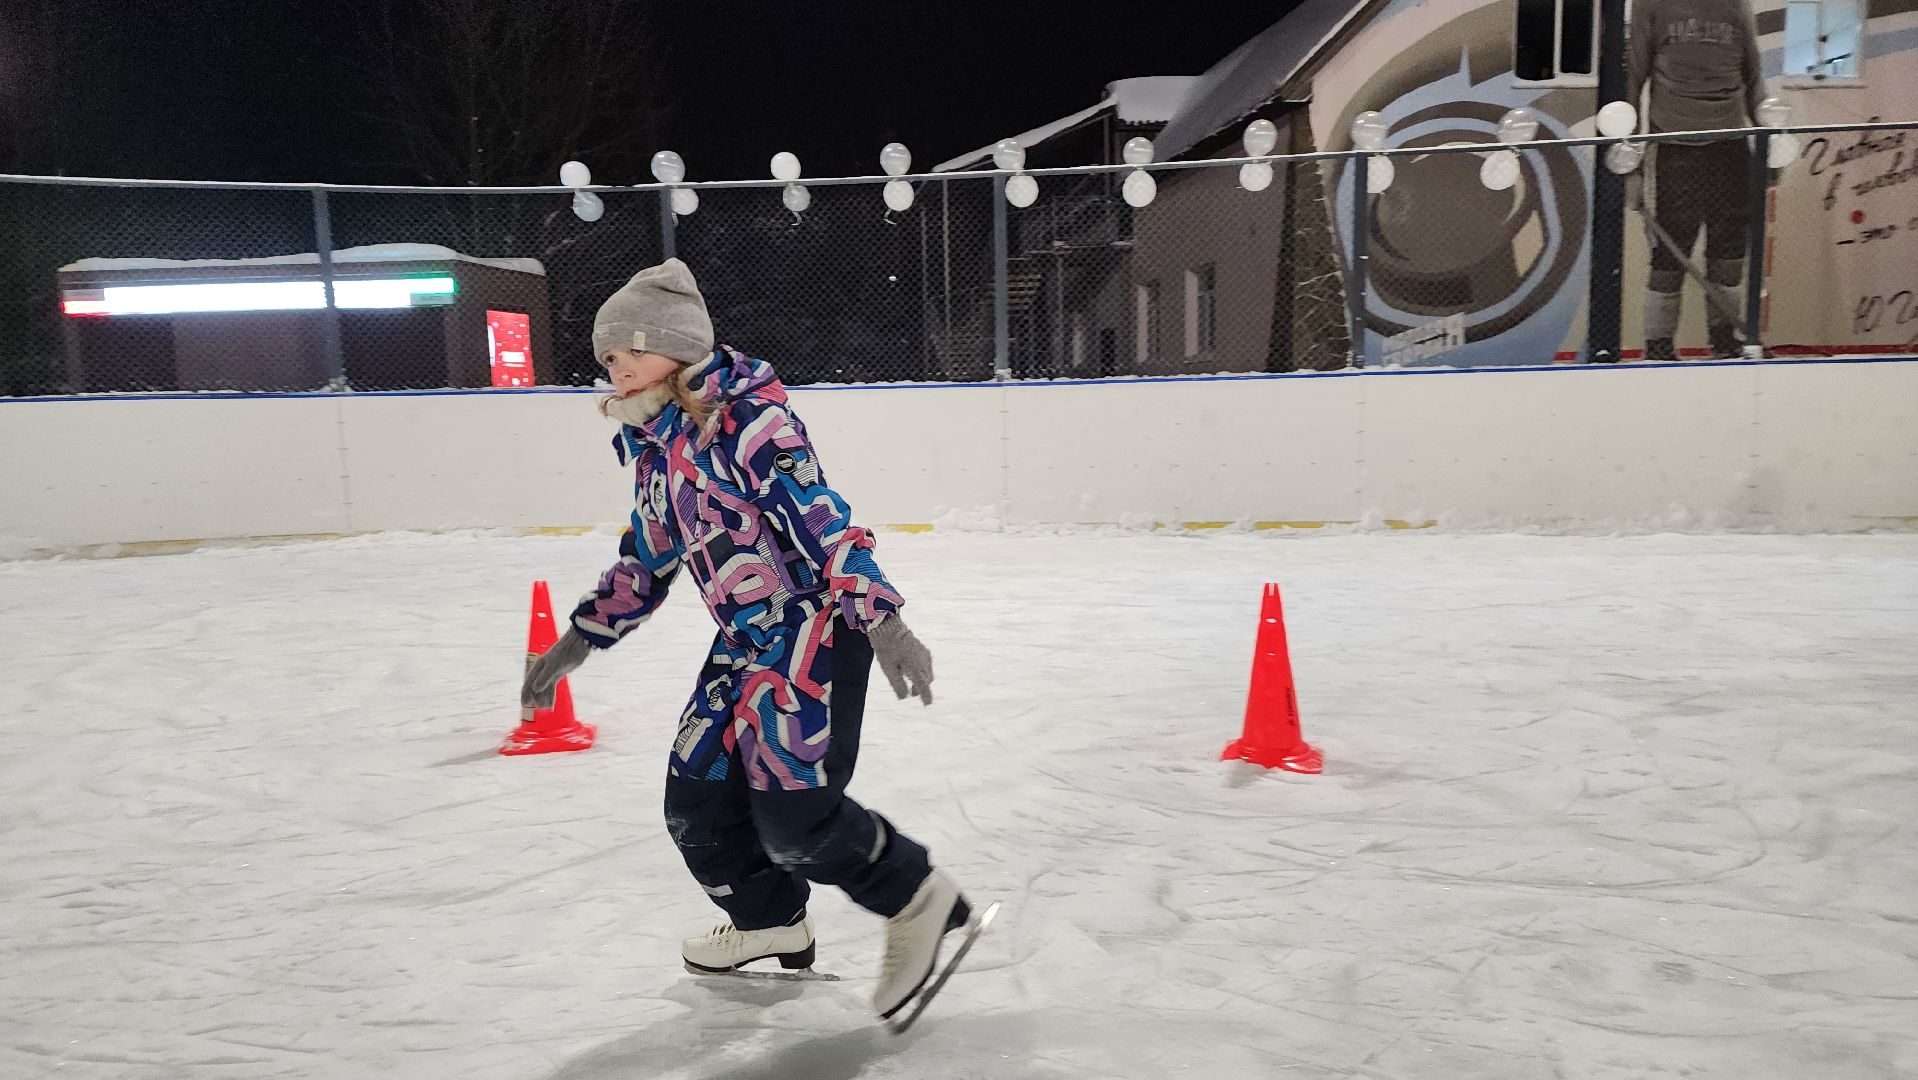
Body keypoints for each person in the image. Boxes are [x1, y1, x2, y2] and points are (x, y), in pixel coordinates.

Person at [521, 259, 972, 1021]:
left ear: (676, 346)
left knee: (796, 820)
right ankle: (770, 920)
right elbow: (649, 557)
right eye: (605, 356)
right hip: (744, 643)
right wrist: (581, 637)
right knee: (694, 805)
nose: (615, 366)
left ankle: (918, 899)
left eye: (628, 347)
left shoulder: (751, 423)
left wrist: (882, 617)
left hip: (815, 633)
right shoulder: (657, 449)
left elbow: (824, 520)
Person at [1627, 0, 1767, 361]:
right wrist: (1628, 165)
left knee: (1730, 253)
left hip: (1730, 146)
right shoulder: (1651, 6)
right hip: (1673, 145)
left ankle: (1725, 343)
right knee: (1668, 255)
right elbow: (1631, 80)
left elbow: (1755, 79)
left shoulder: (1736, 6)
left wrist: (1771, 144)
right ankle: (1658, 348)